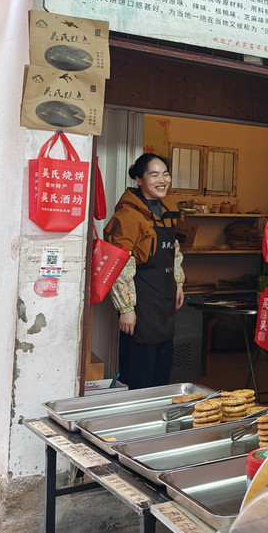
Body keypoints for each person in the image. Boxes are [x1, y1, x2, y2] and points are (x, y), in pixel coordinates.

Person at [104, 153, 185, 389]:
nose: (162, 180)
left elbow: (174, 250)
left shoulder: (165, 211)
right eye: (154, 175)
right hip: (141, 304)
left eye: (165, 174)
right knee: (140, 373)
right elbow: (120, 264)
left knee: (161, 372)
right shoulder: (128, 216)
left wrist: (178, 282)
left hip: (164, 303)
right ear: (139, 179)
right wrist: (126, 309)